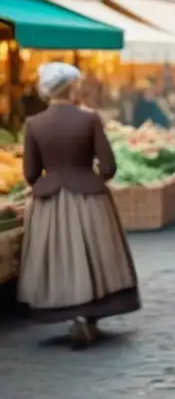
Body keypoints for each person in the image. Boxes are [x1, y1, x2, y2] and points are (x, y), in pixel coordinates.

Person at [19, 62, 139, 348]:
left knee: (58, 257)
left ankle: (70, 315)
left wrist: (49, 179)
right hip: (89, 196)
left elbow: (30, 173)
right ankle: (91, 317)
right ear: (71, 87)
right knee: (95, 253)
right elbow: (108, 166)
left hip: (49, 201)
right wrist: (93, 176)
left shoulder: (34, 124)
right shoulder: (90, 119)